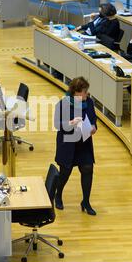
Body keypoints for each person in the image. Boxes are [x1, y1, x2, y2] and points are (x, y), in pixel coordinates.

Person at [54, 77, 98, 216]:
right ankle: (58, 195)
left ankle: (85, 201)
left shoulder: (89, 102)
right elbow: (57, 125)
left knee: (88, 169)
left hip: (84, 143)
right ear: (77, 92)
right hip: (68, 144)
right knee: (65, 173)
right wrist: (71, 123)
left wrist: (93, 127)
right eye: (84, 92)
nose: (87, 94)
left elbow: (93, 119)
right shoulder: (63, 104)